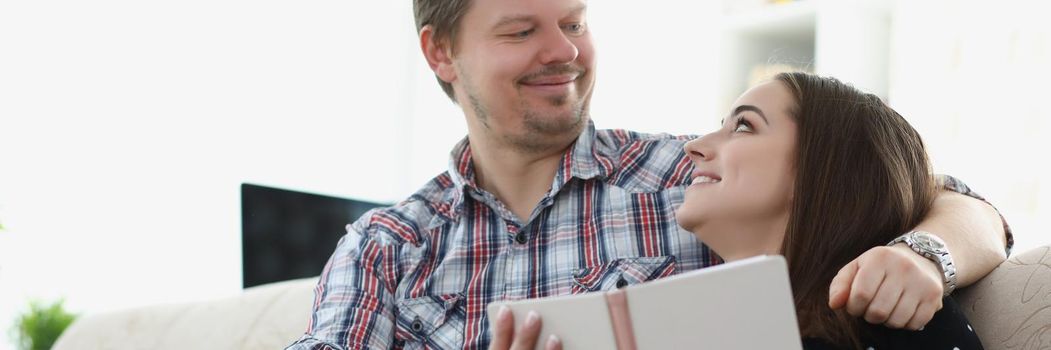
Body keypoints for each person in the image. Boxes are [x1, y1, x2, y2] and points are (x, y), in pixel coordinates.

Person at [287, 1, 1012, 349]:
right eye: (520, 30)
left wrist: (923, 254)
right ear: (440, 54)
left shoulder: (696, 180)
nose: (562, 51)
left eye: (572, 20)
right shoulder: (384, 247)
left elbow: (929, 195)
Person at [676, 72, 988, 349]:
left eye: (744, 126)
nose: (693, 146)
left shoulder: (894, 317)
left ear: (822, 170)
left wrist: (924, 254)